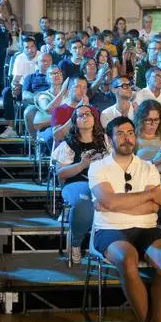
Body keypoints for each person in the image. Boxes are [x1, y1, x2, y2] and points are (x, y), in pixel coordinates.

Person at [89, 117, 161, 322]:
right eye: (120, 133)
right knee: (127, 259)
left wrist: (116, 204)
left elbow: (156, 205)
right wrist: (143, 197)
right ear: (109, 139)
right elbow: (111, 201)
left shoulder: (148, 167)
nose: (127, 137)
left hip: (147, 227)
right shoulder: (98, 167)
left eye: (130, 132)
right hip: (109, 229)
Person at [51, 105, 108, 264]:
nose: (85, 117)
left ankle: (106, 244)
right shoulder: (69, 144)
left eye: (88, 114)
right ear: (75, 121)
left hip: (103, 181)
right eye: (80, 115)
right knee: (85, 202)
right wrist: (82, 165)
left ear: (93, 119)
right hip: (78, 181)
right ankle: (76, 243)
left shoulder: (105, 140)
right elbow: (60, 173)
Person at [0, 42, 48, 138]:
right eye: (27, 47)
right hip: (22, 88)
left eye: (33, 46)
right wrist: (14, 86)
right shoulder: (19, 58)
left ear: (36, 47)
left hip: (37, 88)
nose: (30, 50)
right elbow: (15, 79)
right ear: (23, 49)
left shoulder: (41, 57)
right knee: (7, 92)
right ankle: (10, 128)